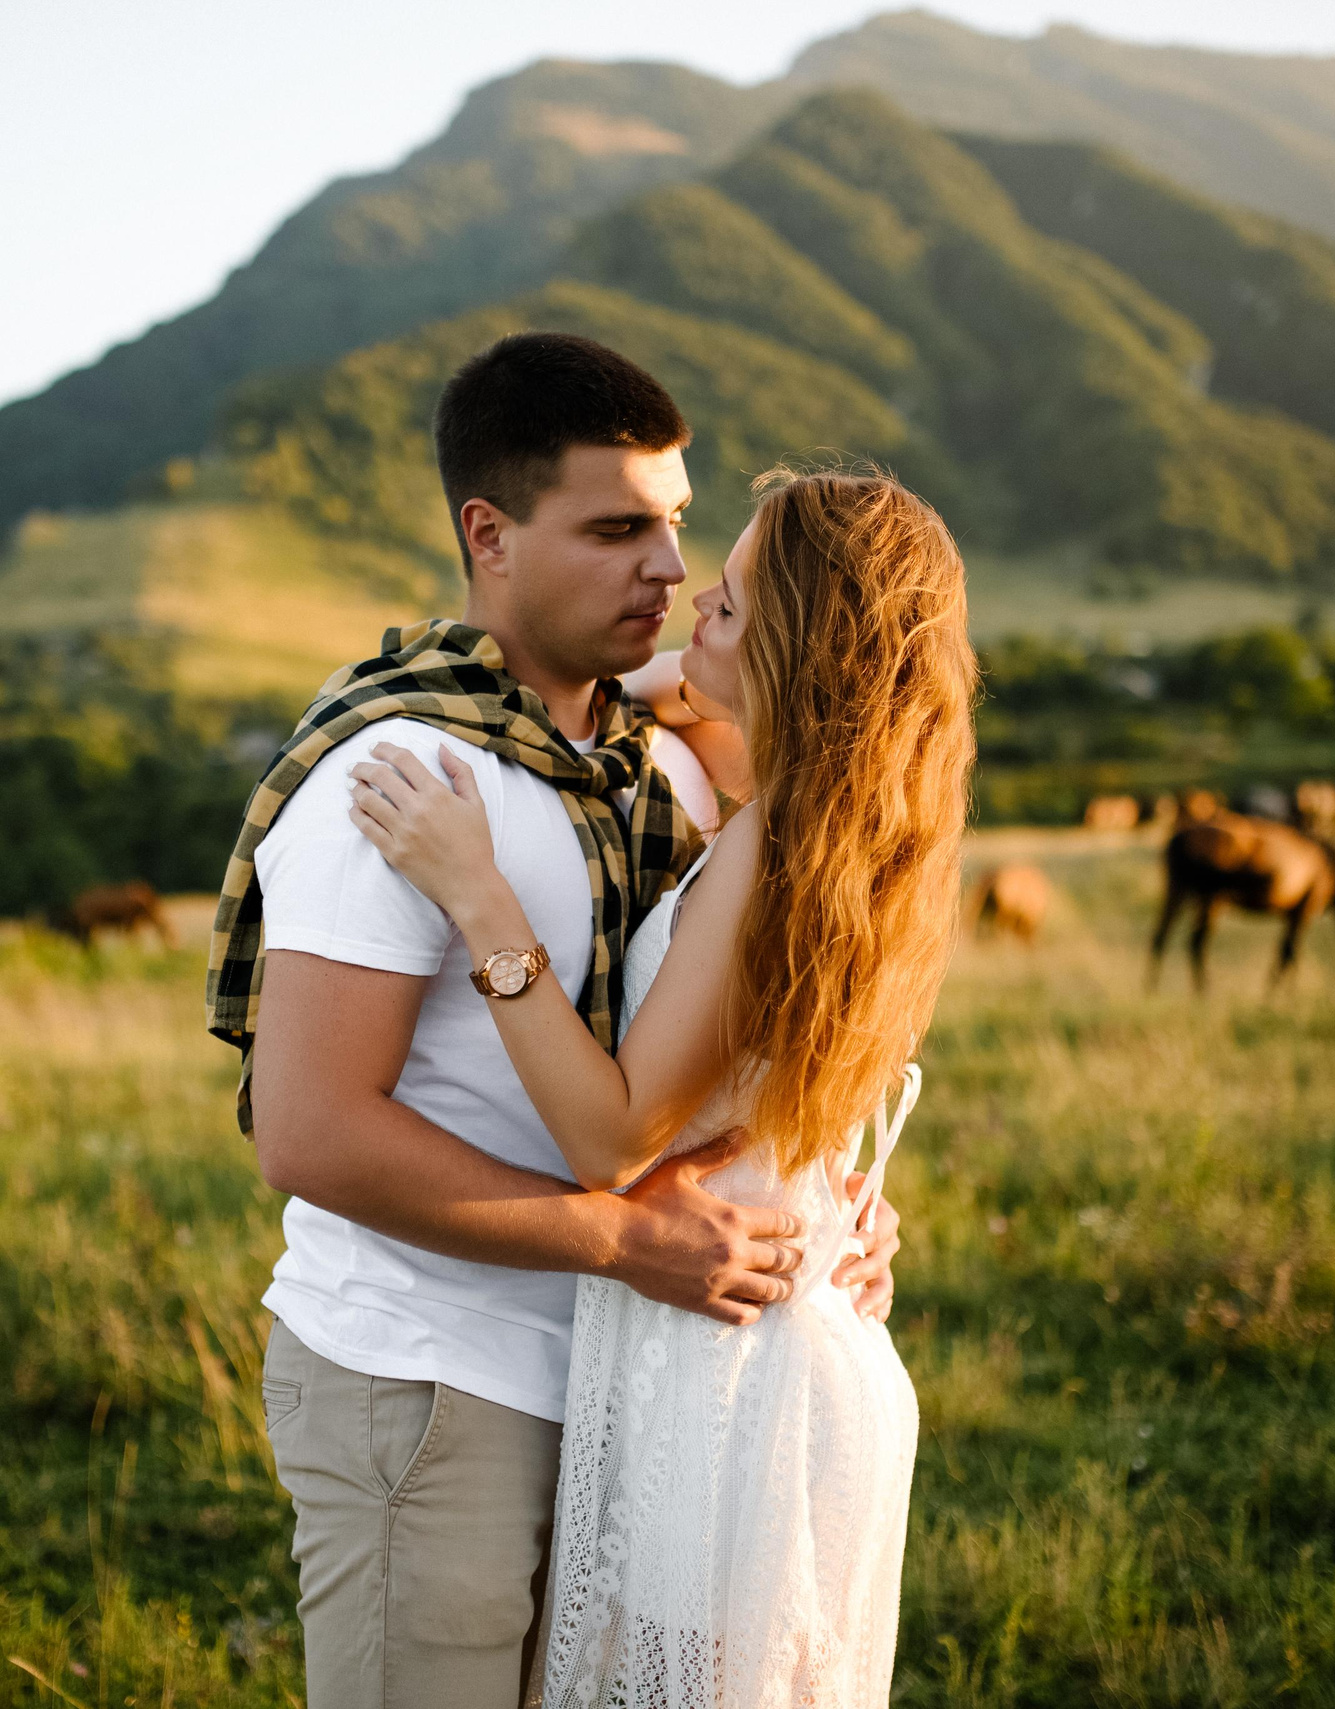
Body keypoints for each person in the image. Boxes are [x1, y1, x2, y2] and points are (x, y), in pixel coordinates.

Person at [203, 333, 904, 1708]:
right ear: (492, 535)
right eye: (615, 530)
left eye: (678, 524)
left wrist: (821, 1206)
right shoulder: (403, 776)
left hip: (635, 1390)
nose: (669, 568)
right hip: (432, 1377)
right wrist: (628, 1238)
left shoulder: (662, 770)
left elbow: (727, 1044)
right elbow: (311, 1133)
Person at [346, 465, 974, 1705]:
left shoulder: (771, 841)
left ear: (797, 646)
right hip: (770, 1343)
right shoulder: (854, 815)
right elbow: (660, 690)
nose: (693, 609)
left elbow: (614, 1137)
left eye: (729, 604)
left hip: (733, 1382)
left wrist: (477, 895)